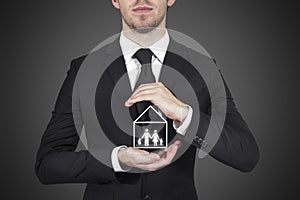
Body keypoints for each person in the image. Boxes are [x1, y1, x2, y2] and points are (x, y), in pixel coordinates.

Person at [35, 1, 259, 200]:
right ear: (115, 0)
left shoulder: (204, 68)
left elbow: (246, 154)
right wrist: (117, 160)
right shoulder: (83, 69)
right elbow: (47, 164)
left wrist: (185, 115)